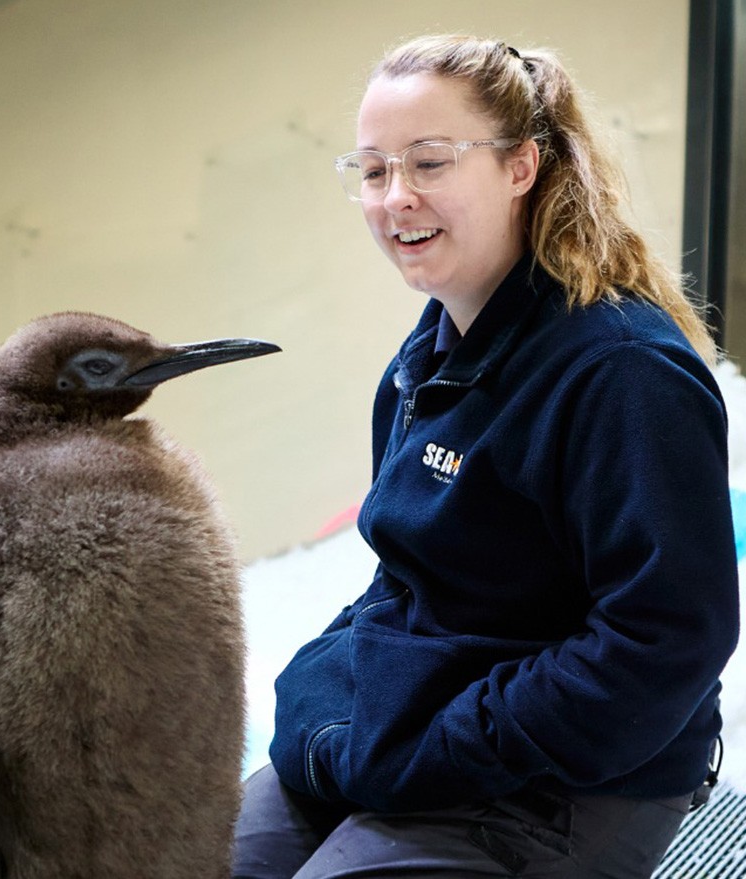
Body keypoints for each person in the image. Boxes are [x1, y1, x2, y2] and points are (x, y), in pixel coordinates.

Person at [233, 34, 739, 879]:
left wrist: (438, 745)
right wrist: (334, 711)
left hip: (579, 776)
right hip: (434, 725)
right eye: (373, 170)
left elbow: (662, 644)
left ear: (520, 167)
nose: (396, 197)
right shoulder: (426, 358)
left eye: (429, 163)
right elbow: (403, 579)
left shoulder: (621, 372)